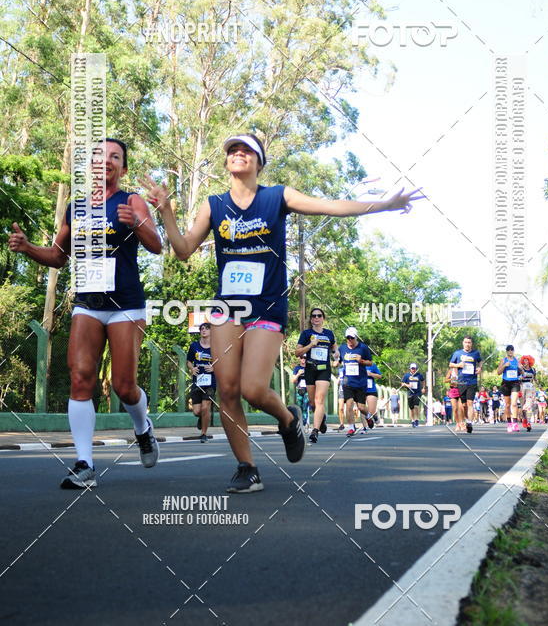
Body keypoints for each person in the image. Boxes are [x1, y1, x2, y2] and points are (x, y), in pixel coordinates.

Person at [143, 133, 422, 491]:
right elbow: (182, 249)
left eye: (246, 150)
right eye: (232, 150)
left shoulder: (277, 196)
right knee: (227, 391)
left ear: (259, 162)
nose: (238, 154)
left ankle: (288, 420)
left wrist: (383, 204)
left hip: (268, 305)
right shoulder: (214, 205)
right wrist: (165, 211)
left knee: (254, 388)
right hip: (227, 306)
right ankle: (247, 467)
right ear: (227, 162)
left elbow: (329, 205)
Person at [9, 139, 162, 488]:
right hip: (88, 304)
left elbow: (157, 245)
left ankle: (143, 427)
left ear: (122, 168)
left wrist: (138, 222)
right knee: (80, 378)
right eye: (100, 157)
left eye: (115, 157)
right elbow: (58, 257)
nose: (106, 161)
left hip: (125, 304)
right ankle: (84, 464)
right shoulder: (76, 208)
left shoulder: (130, 200)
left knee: (124, 387)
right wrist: (27, 247)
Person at [296, 307, 338, 444]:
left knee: (320, 400)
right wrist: (310, 345)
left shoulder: (329, 334)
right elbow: (297, 352)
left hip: (323, 369)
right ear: (311, 319)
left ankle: (315, 431)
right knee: (313, 403)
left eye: (319, 315)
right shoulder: (306, 333)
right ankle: (322, 420)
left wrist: (336, 354)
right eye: (313, 316)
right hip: (310, 369)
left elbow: (334, 348)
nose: (316, 318)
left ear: (323, 318)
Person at [338, 327, 375, 435]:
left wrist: (362, 361)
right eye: (348, 338)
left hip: (360, 381)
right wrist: (334, 362)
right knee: (349, 404)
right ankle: (351, 427)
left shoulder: (363, 348)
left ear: (356, 337)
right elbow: (338, 360)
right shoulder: (342, 348)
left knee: (361, 407)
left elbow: (370, 363)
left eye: (352, 338)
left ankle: (368, 416)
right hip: (347, 381)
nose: (350, 340)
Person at [187, 322, 216, 442]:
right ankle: (203, 417)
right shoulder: (194, 346)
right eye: (202, 329)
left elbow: (222, 361)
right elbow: (189, 361)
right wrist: (192, 368)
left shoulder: (216, 346)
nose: (204, 330)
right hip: (198, 381)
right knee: (197, 411)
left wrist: (215, 368)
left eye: (207, 329)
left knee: (205, 407)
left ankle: (203, 434)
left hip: (211, 382)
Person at [449, 336, 482, 434]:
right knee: (463, 405)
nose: (467, 344)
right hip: (461, 382)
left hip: (472, 381)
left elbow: (480, 361)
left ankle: (469, 423)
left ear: (471, 344)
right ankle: (465, 420)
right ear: (463, 343)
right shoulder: (457, 353)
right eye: (466, 342)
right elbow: (450, 364)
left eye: (469, 342)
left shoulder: (475, 353)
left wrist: (480, 368)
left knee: (470, 403)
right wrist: (458, 365)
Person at [497, 345, 521, 432]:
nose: (510, 351)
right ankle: (509, 423)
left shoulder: (517, 360)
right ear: (506, 352)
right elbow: (498, 372)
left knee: (514, 404)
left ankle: (515, 423)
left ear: (513, 351)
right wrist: (504, 366)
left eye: (512, 350)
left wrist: (520, 369)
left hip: (515, 383)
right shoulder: (503, 360)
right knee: (507, 404)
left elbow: (521, 371)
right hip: (506, 383)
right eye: (508, 350)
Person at [401, 362, 426, 427]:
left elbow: (423, 381)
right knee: (411, 408)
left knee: (416, 406)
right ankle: (412, 420)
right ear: (410, 369)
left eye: (415, 368)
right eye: (412, 368)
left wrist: (423, 388)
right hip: (410, 393)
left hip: (417, 393)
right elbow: (402, 384)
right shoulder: (406, 376)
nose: (413, 370)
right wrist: (407, 385)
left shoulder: (419, 375)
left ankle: (417, 419)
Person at [360, 360, 382, 433]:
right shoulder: (356, 364)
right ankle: (365, 427)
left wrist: (370, 374)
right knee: (362, 409)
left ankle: (374, 416)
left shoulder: (372, 365)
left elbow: (380, 376)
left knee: (371, 411)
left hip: (371, 390)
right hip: (360, 389)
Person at [291, 356, 310, 430]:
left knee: (305, 406)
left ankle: (304, 423)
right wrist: (298, 374)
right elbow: (293, 381)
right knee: (300, 407)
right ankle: (300, 422)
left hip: (307, 390)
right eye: (302, 358)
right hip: (300, 390)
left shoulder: (309, 368)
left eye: (305, 358)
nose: (303, 359)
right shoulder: (297, 368)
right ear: (300, 359)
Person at [519, 355, 537, 432]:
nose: (525, 362)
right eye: (524, 360)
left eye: (527, 360)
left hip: (530, 388)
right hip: (522, 388)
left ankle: (529, 422)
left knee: (528, 406)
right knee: (523, 407)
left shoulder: (533, 369)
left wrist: (539, 386)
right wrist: (520, 378)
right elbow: (518, 379)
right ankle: (524, 419)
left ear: (530, 361)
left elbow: (535, 379)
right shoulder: (521, 369)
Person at [336, 363, 346, 430]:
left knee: (349, 408)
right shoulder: (340, 369)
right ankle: (342, 424)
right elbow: (338, 380)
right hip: (341, 390)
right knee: (341, 408)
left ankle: (352, 424)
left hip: (349, 389)